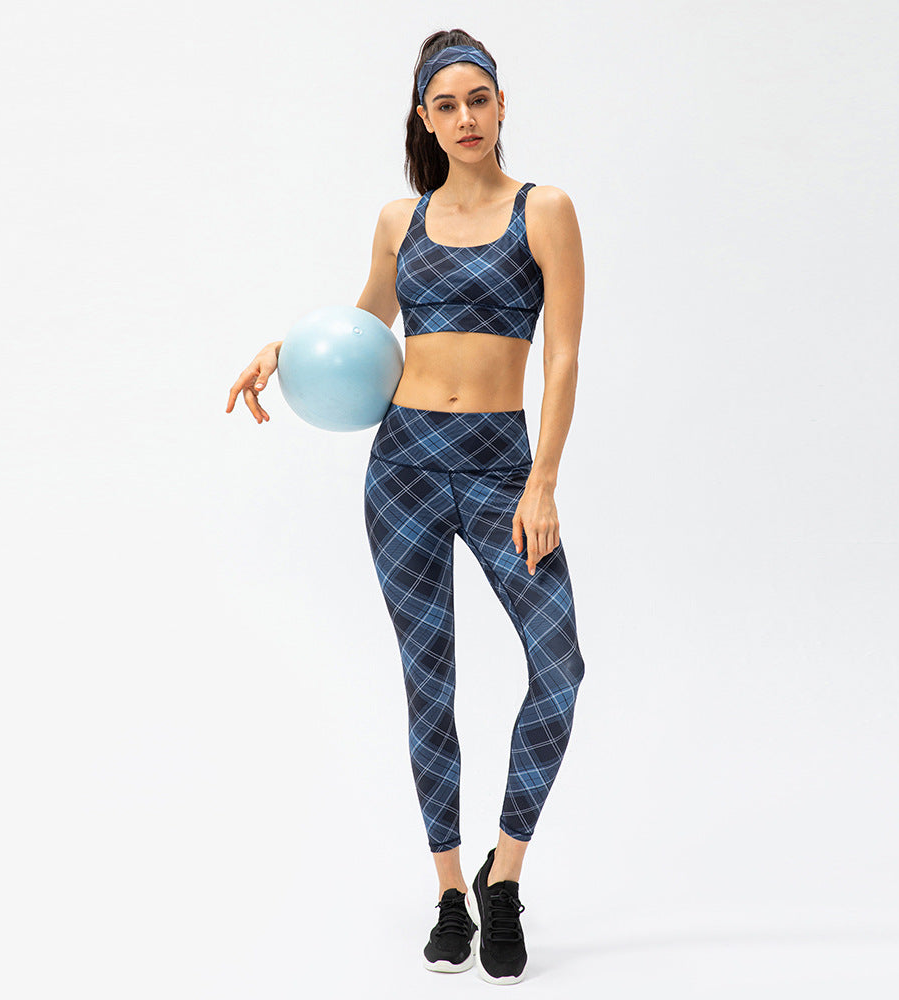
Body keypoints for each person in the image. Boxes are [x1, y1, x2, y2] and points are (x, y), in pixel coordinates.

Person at [226, 28, 586, 985]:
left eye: (479, 99)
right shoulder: (401, 219)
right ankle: (450, 894)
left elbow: (562, 355)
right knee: (430, 684)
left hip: (503, 468)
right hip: (406, 469)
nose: (465, 118)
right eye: (446, 105)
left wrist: (544, 481)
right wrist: (282, 349)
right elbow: (362, 328)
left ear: (502, 105)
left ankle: (504, 878)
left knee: (560, 668)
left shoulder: (545, 210)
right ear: (424, 119)